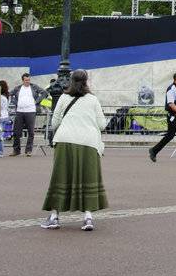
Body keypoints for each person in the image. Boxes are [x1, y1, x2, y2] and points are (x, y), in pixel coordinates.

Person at [41, 69, 108, 231]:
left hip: (66, 140)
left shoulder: (64, 97)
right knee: (88, 178)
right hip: (88, 142)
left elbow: (55, 122)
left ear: (71, 81)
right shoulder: (92, 99)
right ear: (86, 81)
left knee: (61, 177)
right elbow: (102, 125)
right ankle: (88, 217)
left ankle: (55, 216)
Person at [149, 72, 176, 163]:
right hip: (173, 116)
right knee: (170, 136)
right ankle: (154, 150)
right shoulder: (171, 89)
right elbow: (171, 104)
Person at [10, 73, 44, 157]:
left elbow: (44, 93)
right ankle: (16, 150)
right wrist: (15, 102)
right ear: (22, 80)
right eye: (26, 80)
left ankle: (28, 150)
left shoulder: (34, 87)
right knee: (16, 132)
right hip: (19, 111)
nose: (28, 82)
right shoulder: (18, 88)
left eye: (29, 80)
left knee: (31, 132)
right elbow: (10, 94)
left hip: (31, 111)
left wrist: (37, 101)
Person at [0, 79, 11, 157]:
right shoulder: (6, 96)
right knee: (0, 135)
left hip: (1, 117)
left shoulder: (0, 97)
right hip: (5, 116)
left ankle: (0, 151)